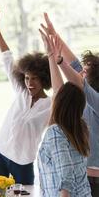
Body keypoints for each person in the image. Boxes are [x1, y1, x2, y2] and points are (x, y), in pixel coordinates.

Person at [0, 6, 52, 185]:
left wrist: (52, 53)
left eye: (35, 79)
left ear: (44, 79)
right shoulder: (21, 90)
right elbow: (7, 58)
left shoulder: (50, 104)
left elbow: (61, 85)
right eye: (26, 78)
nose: (30, 83)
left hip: (23, 162)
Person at [41, 13, 99, 196]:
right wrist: (54, 37)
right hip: (82, 176)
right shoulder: (79, 101)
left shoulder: (95, 101)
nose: (80, 72)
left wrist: (58, 60)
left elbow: (77, 79)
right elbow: (73, 71)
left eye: (85, 72)